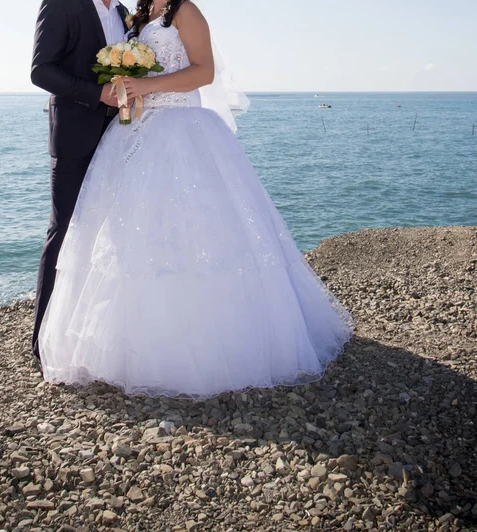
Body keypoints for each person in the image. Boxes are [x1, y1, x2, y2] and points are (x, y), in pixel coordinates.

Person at [38, 0, 354, 398]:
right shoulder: (135, 17)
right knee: (129, 237)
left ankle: (207, 344)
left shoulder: (184, 10)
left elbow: (205, 71)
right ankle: (131, 341)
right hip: (135, 131)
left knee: (193, 232)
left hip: (182, 129)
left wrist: (147, 85)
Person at [30, 0, 132, 370]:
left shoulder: (124, 13)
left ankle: (96, 338)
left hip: (123, 136)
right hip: (75, 136)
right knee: (65, 230)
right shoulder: (62, 4)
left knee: (113, 234)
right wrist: (97, 93)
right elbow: (41, 71)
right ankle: (44, 341)